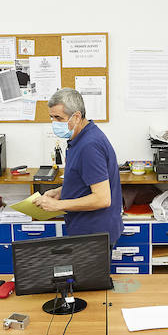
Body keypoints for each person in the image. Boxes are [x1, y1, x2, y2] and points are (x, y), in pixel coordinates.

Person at [35, 88, 123, 248]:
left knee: (91, 274)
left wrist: (58, 205)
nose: (54, 123)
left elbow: (102, 198)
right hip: (86, 229)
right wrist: (60, 191)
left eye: (58, 118)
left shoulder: (89, 145)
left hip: (94, 233)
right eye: (51, 117)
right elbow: (86, 180)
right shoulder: (78, 138)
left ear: (76, 116)